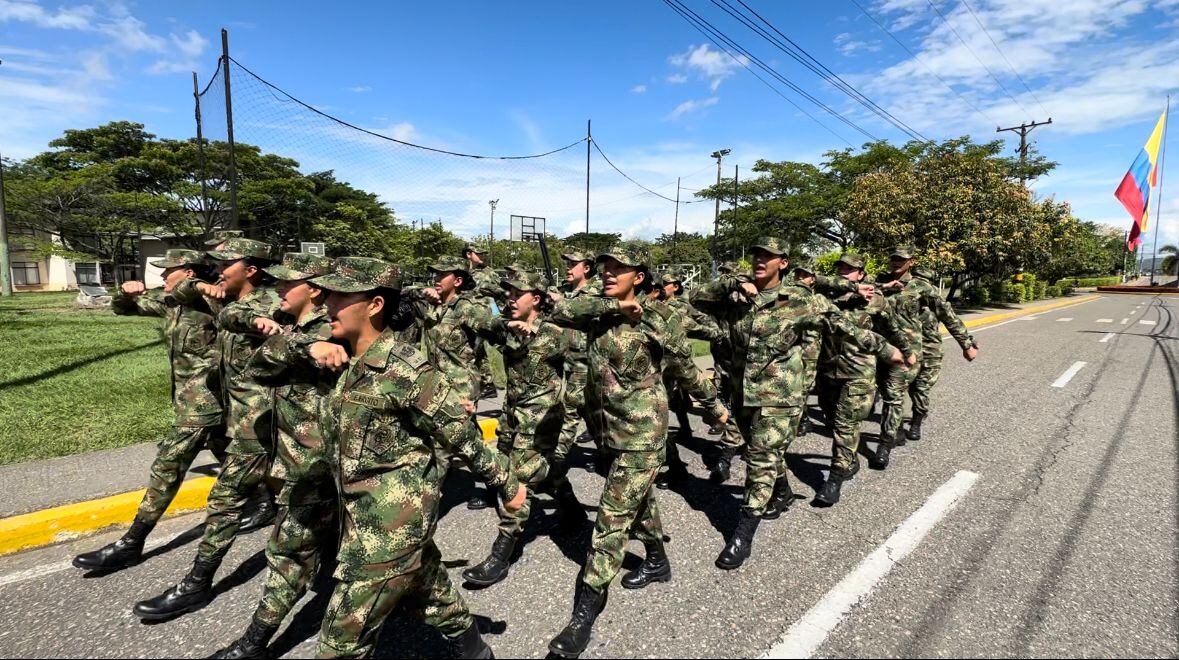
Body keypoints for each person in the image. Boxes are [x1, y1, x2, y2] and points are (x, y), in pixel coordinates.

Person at [302, 257, 526, 658]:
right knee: (429, 588)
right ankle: (474, 650)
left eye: (339, 295)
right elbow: (261, 360)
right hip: (356, 510)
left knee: (340, 644)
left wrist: (506, 486)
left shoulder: (406, 369)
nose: (328, 304)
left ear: (374, 305)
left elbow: (458, 433)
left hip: (391, 522)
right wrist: (307, 343)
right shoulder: (338, 356)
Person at [546, 247, 730, 659]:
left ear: (641, 277)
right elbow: (559, 311)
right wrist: (614, 302)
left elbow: (684, 366)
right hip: (606, 430)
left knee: (611, 518)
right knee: (639, 500)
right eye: (606, 267)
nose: (609, 273)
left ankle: (584, 616)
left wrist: (715, 408)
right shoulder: (598, 311)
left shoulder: (658, 319)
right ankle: (658, 560)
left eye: (619, 269)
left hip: (643, 433)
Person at [694, 239, 903, 567]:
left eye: (769, 256)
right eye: (757, 254)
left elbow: (844, 326)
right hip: (743, 394)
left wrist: (887, 350)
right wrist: (734, 282)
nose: (761, 260)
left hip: (781, 397)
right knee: (759, 451)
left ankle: (743, 533)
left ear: (784, 262)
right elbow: (695, 297)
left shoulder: (803, 300)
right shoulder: (736, 297)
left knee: (760, 460)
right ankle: (783, 492)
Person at [133, 238, 282, 621]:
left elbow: (267, 328)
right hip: (236, 419)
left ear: (251, 270)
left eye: (225, 264)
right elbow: (181, 292)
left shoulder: (272, 304)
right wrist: (199, 285)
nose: (216, 270)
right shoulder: (221, 297)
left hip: (261, 420)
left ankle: (197, 584)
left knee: (225, 500)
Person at [211, 253, 338, 659]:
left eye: (287, 284)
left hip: (318, 461)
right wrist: (296, 340)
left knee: (288, 552)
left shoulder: (335, 329)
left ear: (314, 291)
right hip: (297, 456)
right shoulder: (296, 325)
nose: (278, 289)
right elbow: (248, 347)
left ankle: (253, 644)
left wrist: (302, 342)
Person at [73, 250, 228, 571]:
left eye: (167, 271)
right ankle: (269, 504)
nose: (161, 277)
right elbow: (125, 310)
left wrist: (198, 285)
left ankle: (132, 541)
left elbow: (204, 294)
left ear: (186, 272)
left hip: (204, 404)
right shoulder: (173, 304)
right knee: (232, 458)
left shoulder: (210, 302)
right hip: (192, 402)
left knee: (167, 467)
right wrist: (125, 294)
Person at [461, 272, 584, 588]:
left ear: (538, 300)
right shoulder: (507, 329)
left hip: (541, 424)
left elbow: (584, 373)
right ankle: (574, 513)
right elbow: (471, 315)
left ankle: (500, 556)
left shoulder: (558, 335)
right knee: (549, 474)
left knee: (517, 481)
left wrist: (569, 427)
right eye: (509, 293)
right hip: (511, 418)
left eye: (519, 293)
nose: (510, 299)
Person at [813, 253, 913, 507]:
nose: (844, 272)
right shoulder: (826, 296)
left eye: (851, 269)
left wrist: (907, 352)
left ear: (861, 273)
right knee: (832, 419)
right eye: (841, 268)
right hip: (826, 372)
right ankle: (851, 459)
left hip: (858, 374)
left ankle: (833, 480)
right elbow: (808, 281)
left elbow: (891, 329)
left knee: (846, 426)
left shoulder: (875, 300)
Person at [878, 253, 978, 445]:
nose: (896, 262)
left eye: (901, 259)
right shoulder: (880, 283)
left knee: (919, 388)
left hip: (924, 346)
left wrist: (966, 344)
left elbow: (947, 314)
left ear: (910, 262)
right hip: (890, 347)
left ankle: (916, 420)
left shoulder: (920, 286)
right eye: (893, 258)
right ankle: (896, 428)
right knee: (890, 391)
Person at [554, 250, 607, 473]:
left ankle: (556, 461)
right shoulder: (564, 290)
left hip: (585, 361)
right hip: (564, 358)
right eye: (567, 263)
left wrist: (562, 302)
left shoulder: (596, 291)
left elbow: (582, 311)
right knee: (591, 413)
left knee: (570, 409)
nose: (568, 267)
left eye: (573, 263)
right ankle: (608, 454)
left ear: (586, 268)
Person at [463, 243, 500, 401]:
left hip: (483, 321)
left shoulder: (490, 273)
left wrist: (495, 316)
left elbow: (497, 298)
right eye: (478, 253)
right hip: (464, 322)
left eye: (483, 253)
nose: (482, 256)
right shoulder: (462, 272)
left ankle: (488, 413)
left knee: (488, 367)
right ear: (469, 254)